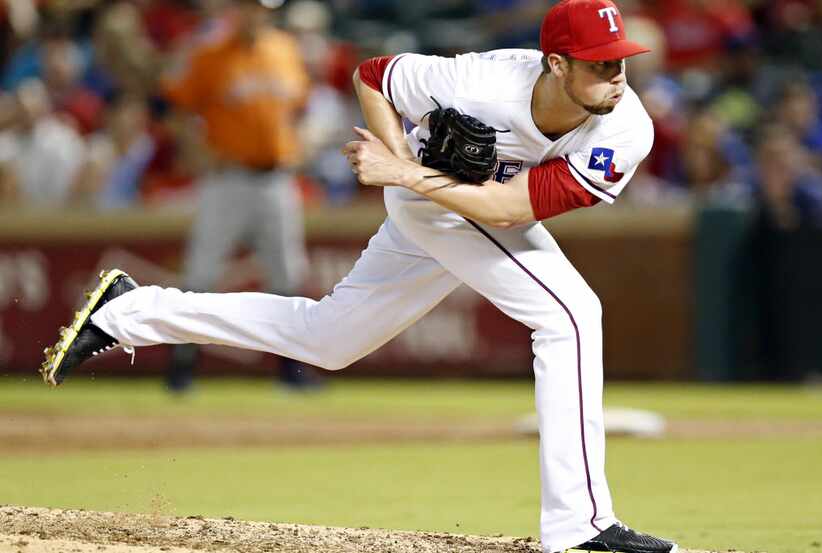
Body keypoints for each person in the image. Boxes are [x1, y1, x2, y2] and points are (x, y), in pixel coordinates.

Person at [40, 1, 677, 552]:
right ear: (557, 64)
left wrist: (400, 173)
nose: (616, 75)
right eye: (599, 62)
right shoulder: (476, 82)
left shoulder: (626, 130)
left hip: (460, 201)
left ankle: (128, 311)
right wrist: (402, 160)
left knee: (329, 340)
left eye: (619, 60)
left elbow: (511, 211)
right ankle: (580, 525)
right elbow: (372, 76)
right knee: (569, 315)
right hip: (433, 202)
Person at [157, 0, 319, 391]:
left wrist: (298, 145)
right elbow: (174, 108)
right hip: (227, 178)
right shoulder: (211, 53)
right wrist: (198, 152)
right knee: (202, 273)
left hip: (276, 178)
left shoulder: (284, 49)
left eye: (263, 8)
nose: (256, 14)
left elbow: (301, 108)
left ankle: (292, 371)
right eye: (250, 7)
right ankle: (181, 369)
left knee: (286, 274)